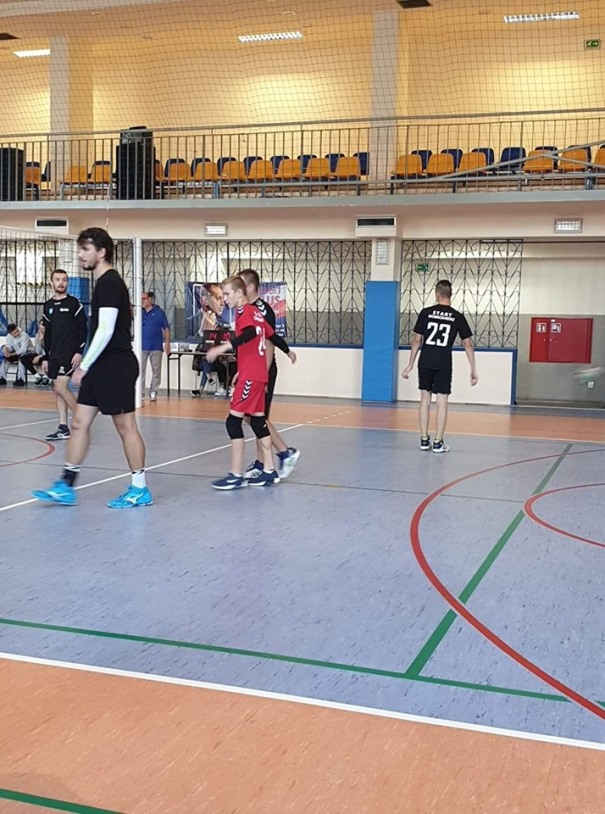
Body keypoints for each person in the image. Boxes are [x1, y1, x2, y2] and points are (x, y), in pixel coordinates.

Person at [32, 226, 153, 508]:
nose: (80, 254)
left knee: (125, 426)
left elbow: (106, 329)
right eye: (80, 249)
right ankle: (66, 484)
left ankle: (140, 489)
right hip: (100, 366)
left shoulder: (110, 283)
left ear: (101, 252)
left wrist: (84, 365)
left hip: (116, 365)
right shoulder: (101, 284)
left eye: (85, 249)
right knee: (79, 422)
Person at [206, 276, 294, 490]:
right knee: (257, 421)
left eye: (227, 294)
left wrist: (223, 347)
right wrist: (288, 350)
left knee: (233, 422)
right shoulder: (255, 312)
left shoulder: (246, 312)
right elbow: (272, 336)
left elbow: (251, 333)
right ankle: (269, 471)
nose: (224, 299)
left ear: (239, 293)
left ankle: (236, 475)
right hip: (256, 374)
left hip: (251, 376)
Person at [402, 279, 478, 453]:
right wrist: (473, 369)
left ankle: (424, 439)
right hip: (443, 362)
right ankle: (438, 442)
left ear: (437, 294)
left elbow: (416, 340)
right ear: (451, 295)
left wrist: (410, 364)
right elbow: (468, 344)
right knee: (442, 402)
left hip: (425, 361)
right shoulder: (457, 317)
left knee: (425, 399)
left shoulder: (426, 313)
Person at [238, 269, 300, 479]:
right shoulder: (246, 309)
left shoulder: (262, 310)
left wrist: (262, 377)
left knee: (257, 417)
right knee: (253, 416)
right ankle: (262, 461)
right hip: (251, 370)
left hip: (262, 371)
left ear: (249, 287)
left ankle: (284, 452)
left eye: (240, 285)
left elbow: (269, 345)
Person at [41, 269, 88, 440]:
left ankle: (82, 422)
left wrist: (79, 352)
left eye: (64, 280)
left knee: (60, 387)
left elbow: (83, 329)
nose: (61, 283)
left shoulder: (74, 304)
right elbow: (47, 333)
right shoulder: (48, 306)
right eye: (58, 279)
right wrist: (46, 357)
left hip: (69, 353)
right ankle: (63, 427)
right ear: (51, 282)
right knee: (58, 390)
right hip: (54, 354)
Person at [141, 290, 170, 403]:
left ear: (150, 299)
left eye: (144, 299)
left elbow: (166, 328)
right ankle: (140, 393)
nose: (142, 301)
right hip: (142, 347)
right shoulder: (139, 312)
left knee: (156, 371)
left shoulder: (159, 312)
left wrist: (167, 343)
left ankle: (153, 391)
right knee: (140, 371)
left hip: (156, 346)